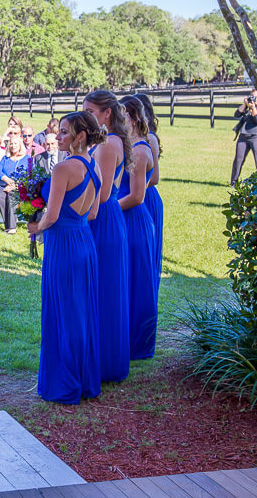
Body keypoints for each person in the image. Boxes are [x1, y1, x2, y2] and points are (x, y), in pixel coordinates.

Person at [26, 111, 102, 405]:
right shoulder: (94, 163)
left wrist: (35, 226)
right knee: (81, 312)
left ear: (80, 136)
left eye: (64, 132)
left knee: (61, 312)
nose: (57, 137)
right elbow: (93, 212)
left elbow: (53, 215)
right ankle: (83, 380)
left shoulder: (63, 169)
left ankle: (63, 384)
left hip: (63, 244)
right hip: (85, 240)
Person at [84, 90, 133, 383]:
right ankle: (106, 358)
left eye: (90, 110)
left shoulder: (105, 145)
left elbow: (100, 195)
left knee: (103, 287)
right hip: (110, 216)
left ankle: (103, 361)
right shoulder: (112, 141)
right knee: (107, 286)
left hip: (102, 217)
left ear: (106, 114)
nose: (86, 114)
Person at [118, 95, 158, 361]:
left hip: (132, 218)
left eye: (121, 116)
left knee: (137, 279)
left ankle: (139, 344)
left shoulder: (141, 149)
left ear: (131, 118)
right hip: (122, 217)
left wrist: (108, 210)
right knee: (124, 279)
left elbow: (137, 196)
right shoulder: (124, 144)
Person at [134, 93, 164, 291]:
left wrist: (132, 189)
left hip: (147, 197)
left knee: (148, 252)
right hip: (135, 195)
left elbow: (154, 178)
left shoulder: (149, 138)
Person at [0, 135, 32, 234]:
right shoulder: (5, 158)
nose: (13, 145)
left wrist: (15, 185)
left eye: (15, 143)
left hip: (20, 187)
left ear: (20, 145)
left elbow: (30, 174)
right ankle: (7, 225)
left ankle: (12, 227)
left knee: (12, 195)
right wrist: (6, 179)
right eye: (11, 143)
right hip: (4, 185)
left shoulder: (27, 158)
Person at [230, 88, 257, 186]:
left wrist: (253, 108)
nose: (253, 98)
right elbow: (236, 114)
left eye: (255, 97)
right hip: (243, 136)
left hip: (255, 136)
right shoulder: (247, 107)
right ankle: (233, 182)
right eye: (252, 96)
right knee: (238, 159)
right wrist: (245, 104)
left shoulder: (254, 108)